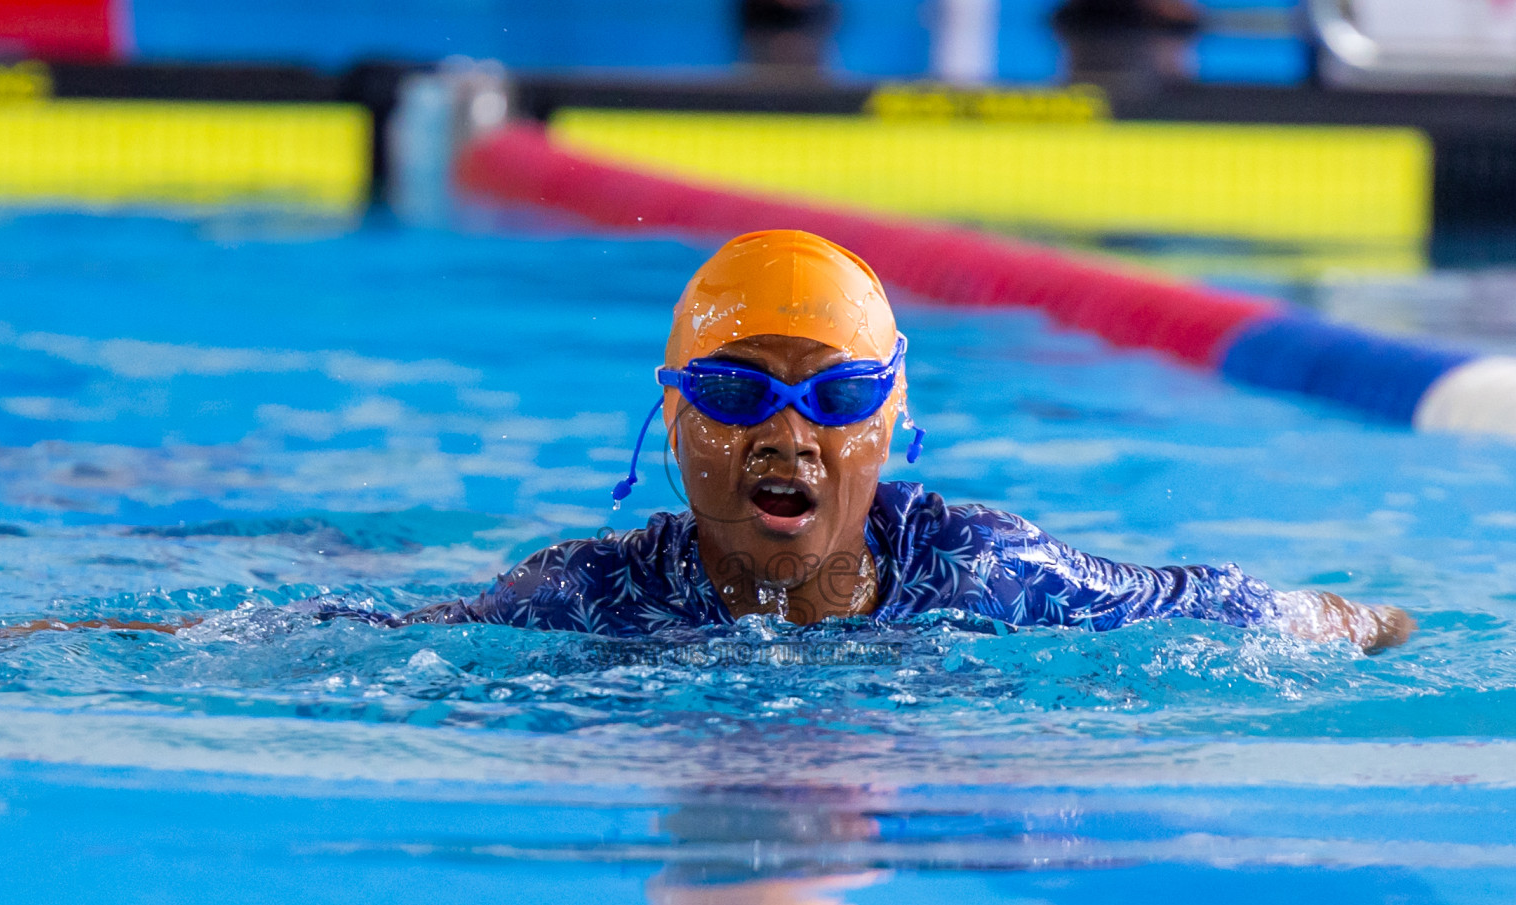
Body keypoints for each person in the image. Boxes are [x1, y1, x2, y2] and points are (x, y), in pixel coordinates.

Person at [374, 229, 1413, 651]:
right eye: (738, 391)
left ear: (891, 421)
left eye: (837, 395)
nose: (789, 436)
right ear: (677, 420)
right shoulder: (594, 600)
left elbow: (1211, 602)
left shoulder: (983, 574)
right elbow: (366, 642)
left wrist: (1362, 621)